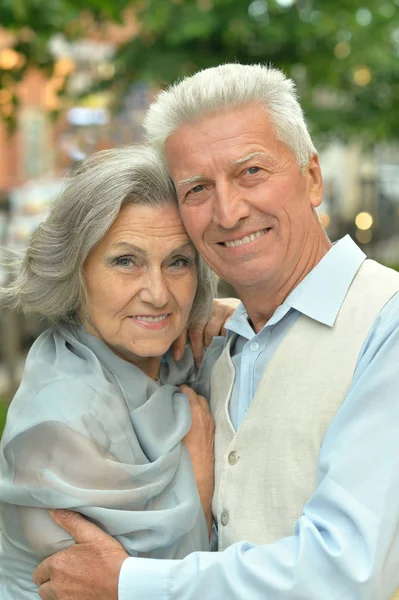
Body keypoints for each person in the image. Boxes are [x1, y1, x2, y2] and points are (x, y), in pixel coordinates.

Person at [32, 63, 399, 600]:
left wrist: (129, 583)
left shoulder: (385, 327)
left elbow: (346, 568)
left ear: (313, 177)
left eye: (251, 171)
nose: (228, 212)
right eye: (198, 188)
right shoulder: (219, 344)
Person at [0, 144, 237, 599]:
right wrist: (200, 491)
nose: (157, 294)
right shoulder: (58, 424)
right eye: (125, 261)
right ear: (76, 270)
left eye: (178, 262)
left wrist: (240, 314)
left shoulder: (177, 359)